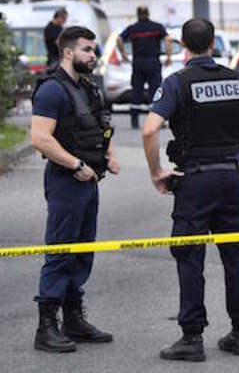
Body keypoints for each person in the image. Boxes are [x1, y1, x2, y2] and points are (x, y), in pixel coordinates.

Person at [142, 18, 239, 362]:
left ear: (183, 44)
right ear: (212, 44)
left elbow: (150, 131)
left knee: (190, 257)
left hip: (194, 181)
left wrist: (156, 173)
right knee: (238, 256)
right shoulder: (235, 80)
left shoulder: (177, 83)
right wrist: (238, 160)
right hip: (232, 179)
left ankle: (192, 338)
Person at [29, 26, 119, 353]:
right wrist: (76, 165)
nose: (93, 56)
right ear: (68, 52)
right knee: (61, 252)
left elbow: (98, 127)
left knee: (81, 251)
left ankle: (73, 319)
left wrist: (107, 156)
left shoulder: (87, 87)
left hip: (89, 180)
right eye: (87, 50)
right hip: (67, 181)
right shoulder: (52, 90)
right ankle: (46, 326)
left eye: (93, 50)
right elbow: (39, 138)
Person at [117, 6, 172, 129]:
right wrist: (169, 56)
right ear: (148, 13)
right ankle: (157, 121)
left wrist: (123, 54)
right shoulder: (157, 27)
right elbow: (168, 40)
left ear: (137, 15)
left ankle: (134, 121)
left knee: (137, 90)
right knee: (155, 91)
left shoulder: (133, 28)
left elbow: (119, 39)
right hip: (153, 61)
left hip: (138, 62)